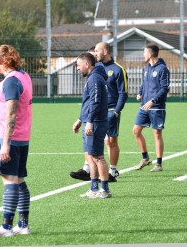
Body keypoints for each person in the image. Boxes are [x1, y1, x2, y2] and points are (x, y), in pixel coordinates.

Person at [0, 25, 33, 236]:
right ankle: (23, 225)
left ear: (1, 62)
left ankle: (6, 227)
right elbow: (1, 55)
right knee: (19, 180)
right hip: (23, 138)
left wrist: (5, 144)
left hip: (10, 139)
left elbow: (11, 115)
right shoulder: (23, 75)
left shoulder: (11, 83)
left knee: (9, 180)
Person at [70, 42, 128, 182]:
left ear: (105, 51)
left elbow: (123, 92)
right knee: (95, 145)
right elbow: (89, 100)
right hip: (95, 112)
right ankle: (89, 170)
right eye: (94, 51)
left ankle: (112, 172)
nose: (95, 53)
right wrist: (80, 118)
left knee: (110, 142)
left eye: (97, 51)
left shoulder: (116, 69)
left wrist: (116, 111)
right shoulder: (97, 69)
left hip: (110, 110)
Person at [72, 52, 112, 199]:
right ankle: (94, 188)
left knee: (98, 156)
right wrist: (80, 119)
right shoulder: (92, 77)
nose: (77, 68)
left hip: (96, 122)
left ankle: (105, 190)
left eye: (78, 65)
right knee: (91, 156)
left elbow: (95, 102)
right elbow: (89, 103)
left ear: (87, 64)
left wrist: (89, 121)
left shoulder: (95, 78)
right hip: (90, 121)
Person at [133, 44, 170, 172]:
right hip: (144, 105)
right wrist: (140, 92)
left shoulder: (162, 69)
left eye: (144, 53)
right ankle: (145, 158)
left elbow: (165, 88)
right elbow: (144, 83)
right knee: (136, 131)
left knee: (157, 134)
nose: (143, 55)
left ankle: (159, 164)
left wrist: (153, 100)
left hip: (157, 107)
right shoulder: (147, 67)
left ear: (150, 54)